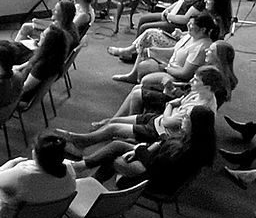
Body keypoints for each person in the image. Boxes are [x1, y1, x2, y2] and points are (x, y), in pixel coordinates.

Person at [66, 65, 230, 171]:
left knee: (113, 128)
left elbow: (168, 121)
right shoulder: (199, 93)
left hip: (158, 130)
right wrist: (172, 107)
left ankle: (81, 144)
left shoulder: (197, 108)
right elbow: (178, 103)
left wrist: (169, 106)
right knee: (113, 122)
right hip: (156, 120)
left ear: (207, 86)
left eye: (196, 80)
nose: (192, 81)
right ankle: (83, 144)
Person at [91, 106, 218, 188]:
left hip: (154, 182)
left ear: (194, 124)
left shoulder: (182, 150)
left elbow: (153, 166)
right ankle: (90, 175)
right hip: (159, 172)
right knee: (118, 146)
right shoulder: (198, 142)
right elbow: (164, 143)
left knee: (114, 157)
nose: (182, 119)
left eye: (186, 117)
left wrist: (139, 149)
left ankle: (95, 182)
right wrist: (148, 147)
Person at [0, 131, 77, 218]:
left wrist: (12, 162)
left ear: (35, 154)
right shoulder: (69, 173)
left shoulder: (21, 176)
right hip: (47, 217)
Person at [112, 12, 221, 87]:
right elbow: (174, 50)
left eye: (191, 24)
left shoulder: (201, 48)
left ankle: (142, 90)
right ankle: (134, 77)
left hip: (176, 76)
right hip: (170, 65)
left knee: (145, 77)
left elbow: (185, 74)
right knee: (144, 61)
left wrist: (166, 68)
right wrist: (152, 50)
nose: (188, 25)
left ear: (202, 30)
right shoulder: (190, 35)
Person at [14, 0, 75, 101]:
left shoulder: (42, 66)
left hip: (17, 98)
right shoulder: (54, 54)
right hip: (32, 62)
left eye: (43, 37)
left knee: (5, 54)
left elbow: (24, 88)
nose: (53, 10)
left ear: (47, 43)